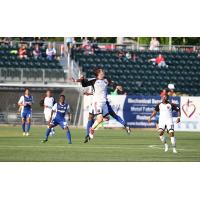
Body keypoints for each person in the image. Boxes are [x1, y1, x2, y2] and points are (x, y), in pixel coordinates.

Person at [73, 68, 131, 141]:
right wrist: (77, 80)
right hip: (97, 102)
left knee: (105, 118)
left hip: (104, 103)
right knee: (92, 117)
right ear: (98, 73)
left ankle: (91, 130)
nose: (104, 72)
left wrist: (117, 86)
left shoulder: (106, 80)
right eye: (102, 71)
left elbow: (112, 83)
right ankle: (88, 133)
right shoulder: (94, 80)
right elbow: (84, 83)